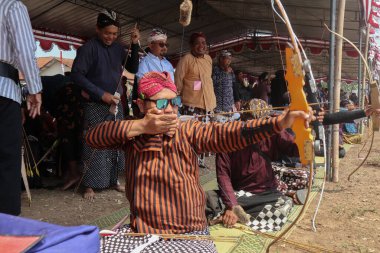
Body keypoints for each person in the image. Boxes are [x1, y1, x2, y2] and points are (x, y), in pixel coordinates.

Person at [86, 71, 312, 252]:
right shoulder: (131, 135)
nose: (170, 111)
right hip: (143, 233)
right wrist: (143, 127)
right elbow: (93, 137)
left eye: (174, 102)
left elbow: (227, 134)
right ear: (141, 105)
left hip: (189, 234)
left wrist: (280, 123)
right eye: (161, 104)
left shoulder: (187, 130)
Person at [71, 9, 140, 200]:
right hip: (95, 104)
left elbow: (133, 68)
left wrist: (134, 44)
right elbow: (76, 75)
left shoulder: (118, 49)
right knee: (94, 142)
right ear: (97, 29)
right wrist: (101, 94)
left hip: (115, 104)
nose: (111, 37)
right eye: (107, 33)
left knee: (114, 141)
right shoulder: (88, 48)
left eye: (114, 34)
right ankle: (89, 185)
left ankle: (113, 180)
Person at [0, 0, 42, 216]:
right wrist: (35, 90)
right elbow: (25, 51)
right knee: (7, 160)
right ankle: (5, 233)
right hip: (3, 91)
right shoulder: (12, 6)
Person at [174, 32, 216, 117]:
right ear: (191, 45)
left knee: (208, 130)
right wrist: (178, 100)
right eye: (197, 43)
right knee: (193, 130)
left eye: (203, 43)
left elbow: (208, 79)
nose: (201, 46)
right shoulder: (186, 59)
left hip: (210, 104)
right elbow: (178, 81)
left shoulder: (208, 59)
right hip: (192, 105)